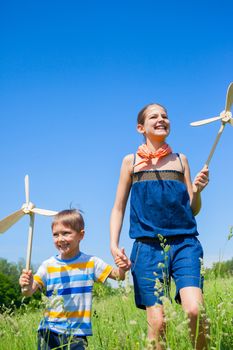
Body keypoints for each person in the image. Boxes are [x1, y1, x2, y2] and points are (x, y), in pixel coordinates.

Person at [110, 103, 209, 350]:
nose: (161, 119)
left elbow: (193, 208)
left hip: (185, 243)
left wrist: (198, 191)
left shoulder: (180, 160)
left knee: (195, 310)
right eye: (154, 116)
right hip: (147, 246)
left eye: (165, 115)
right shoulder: (130, 162)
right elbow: (118, 207)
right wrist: (113, 245)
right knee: (158, 322)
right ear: (140, 127)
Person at [19, 209, 126, 350]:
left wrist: (122, 266)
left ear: (81, 235)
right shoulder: (48, 266)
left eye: (66, 233)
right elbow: (29, 292)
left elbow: (119, 276)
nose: (60, 239)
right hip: (49, 331)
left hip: (77, 334)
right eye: (55, 235)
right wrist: (25, 285)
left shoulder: (91, 262)